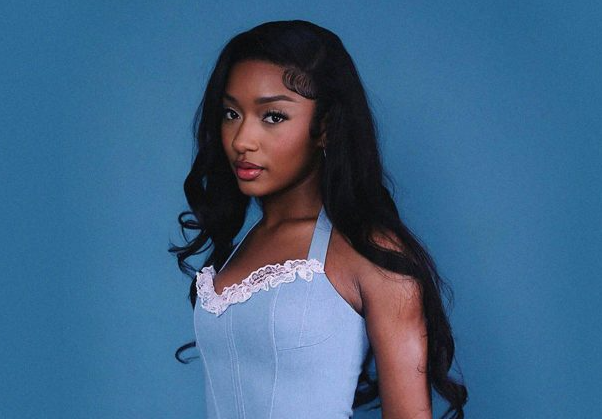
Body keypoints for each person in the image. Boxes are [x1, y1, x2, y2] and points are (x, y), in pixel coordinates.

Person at [169, 19, 467, 419]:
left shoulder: (369, 253)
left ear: (325, 127)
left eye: (273, 116)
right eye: (231, 113)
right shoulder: (239, 248)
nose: (242, 140)